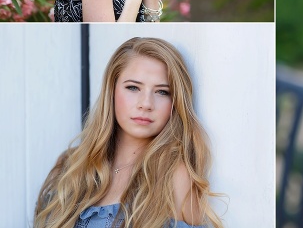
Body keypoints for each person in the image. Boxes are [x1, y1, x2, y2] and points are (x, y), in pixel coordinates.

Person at [34, 37, 224, 228]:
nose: (146, 104)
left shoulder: (173, 177)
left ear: (175, 103)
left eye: (162, 92)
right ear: (112, 91)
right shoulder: (71, 164)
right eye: (133, 88)